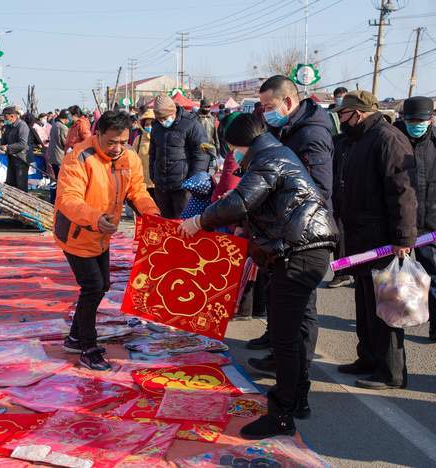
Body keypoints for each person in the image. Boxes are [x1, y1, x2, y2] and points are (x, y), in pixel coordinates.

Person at [178, 113, 337, 438]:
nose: (231, 154)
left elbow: (241, 201)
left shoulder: (268, 158)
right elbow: (256, 203)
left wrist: (201, 221)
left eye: (231, 147)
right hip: (299, 246)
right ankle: (296, 400)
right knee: (289, 333)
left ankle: (281, 414)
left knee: (285, 336)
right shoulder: (271, 154)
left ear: (237, 142)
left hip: (299, 250)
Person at [54, 111, 160, 370]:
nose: (117, 148)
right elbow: (69, 199)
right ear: (97, 134)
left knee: (102, 286)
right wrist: (95, 217)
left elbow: (138, 190)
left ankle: (75, 336)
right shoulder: (78, 158)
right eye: (112, 142)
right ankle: (88, 347)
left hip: (103, 231)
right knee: (92, 286)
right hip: (77, 231)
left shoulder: (129, 158)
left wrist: (153, 214)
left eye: (123, 142)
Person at [248, 75, 334, 384]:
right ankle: (279, 355)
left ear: (288, 101)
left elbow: (318, 190)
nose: (265, 112)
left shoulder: (311, 134)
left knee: (302, 307)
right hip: (280, 233)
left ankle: (301, 370)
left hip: (303, 235)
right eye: (261, 107)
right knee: (280, 299)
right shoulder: (282, 128)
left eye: (268, 105)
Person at [333, 90, 417, 389]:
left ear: (359, 113)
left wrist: (403, 236)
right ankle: (368, 357)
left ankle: (391, 372)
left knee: (387, 310)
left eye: (343, 114)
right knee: (366, 305)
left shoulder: (387, 139)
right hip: (360, 237)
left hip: (384, 239)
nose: (340, 120)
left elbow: (403, 192)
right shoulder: (354, 141)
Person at [396, 96, 436, 341]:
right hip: (401, 224)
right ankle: (399, 318)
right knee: (400, 277)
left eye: (421, 120)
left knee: (433, 276)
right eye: (411, 120)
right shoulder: (394, 141)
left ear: (430, 119)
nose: (416, 124)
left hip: (431, 224)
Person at [149, 94, 208, 218]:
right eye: (159, 118)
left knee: (183, 224)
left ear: (173, 111)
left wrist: (192, 181)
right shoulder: (156, 127)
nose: (163, 121)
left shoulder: (191, 124)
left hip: (184, 187)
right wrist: (153, 175)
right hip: (161, 187)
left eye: (165, 117)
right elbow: (153, 154)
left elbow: (201, 154)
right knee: (165, 224)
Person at [0, 106, 30, 192]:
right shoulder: (8, 126)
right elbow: (4, 141)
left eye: (5, 117)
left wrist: (8, 147)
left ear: (12, 116)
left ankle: (22, 203)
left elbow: (23, 144)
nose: (4, 119)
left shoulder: (22, 126)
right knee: (10, 182)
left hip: (21, 159)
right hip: (11, 157)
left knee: (21, 185)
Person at [132, 108, 155, 198]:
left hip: (157, 184)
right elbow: (133, 159)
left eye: (152, 124)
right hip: (142, 183)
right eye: (147, 124)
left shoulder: (161, 139)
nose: (149, 127)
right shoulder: (138, 139)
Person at [46, 109, 71, 180]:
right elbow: (65, 143)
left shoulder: (54, 125)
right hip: (60, 156)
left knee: (56, 177)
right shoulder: (63, 127)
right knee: (61, 178)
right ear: (66, 118)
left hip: (53, 155)